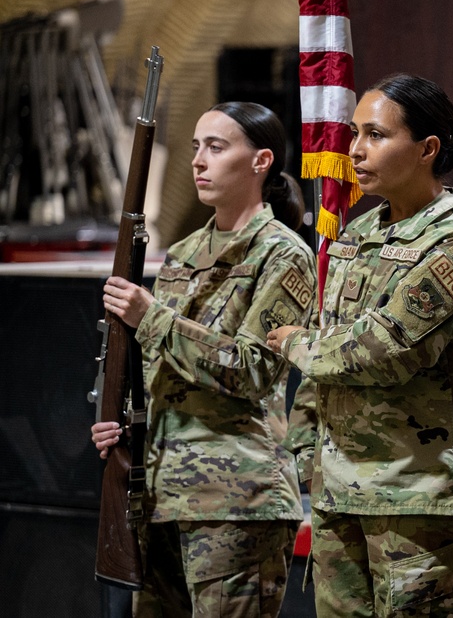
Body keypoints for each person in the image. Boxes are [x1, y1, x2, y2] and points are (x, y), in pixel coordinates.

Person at [265, 74, 453, 618]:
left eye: (375, 135)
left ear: (427, 149)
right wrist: (309, 459)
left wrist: (300, 345)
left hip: (423, 497)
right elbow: (330, 362)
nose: (355, 150)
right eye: (355, 133)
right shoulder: (358, 233)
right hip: (341, 491)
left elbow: (388, 352)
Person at [90, 101, 318, 616]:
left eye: (216, 147)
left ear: (260, 161)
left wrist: (153, 317)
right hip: (162, 492)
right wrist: (123, 424)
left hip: (239, 500)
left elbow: (253, 369)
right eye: (196, 147)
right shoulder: (184, 253)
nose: (198, 160)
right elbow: (161, 369)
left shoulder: (282, 253)